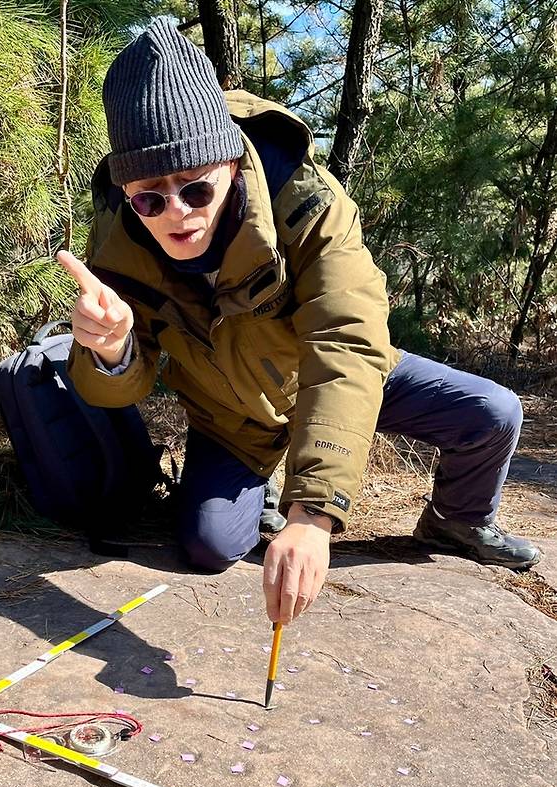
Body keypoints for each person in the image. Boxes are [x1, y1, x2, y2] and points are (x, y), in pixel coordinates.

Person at [58, 17, 540, 627]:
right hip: (233, 417)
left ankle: (457, 522)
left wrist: (314, 514)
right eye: (150, 197)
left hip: (321, 373)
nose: (175, 213)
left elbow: (347, 343)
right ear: (128, 192)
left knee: (492, 413)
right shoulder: (117, 241)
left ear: (230, 162)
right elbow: (119, 386)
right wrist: (111, 352)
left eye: (195, 189)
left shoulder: (310, 203)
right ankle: (256, 488)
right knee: (209, 546)